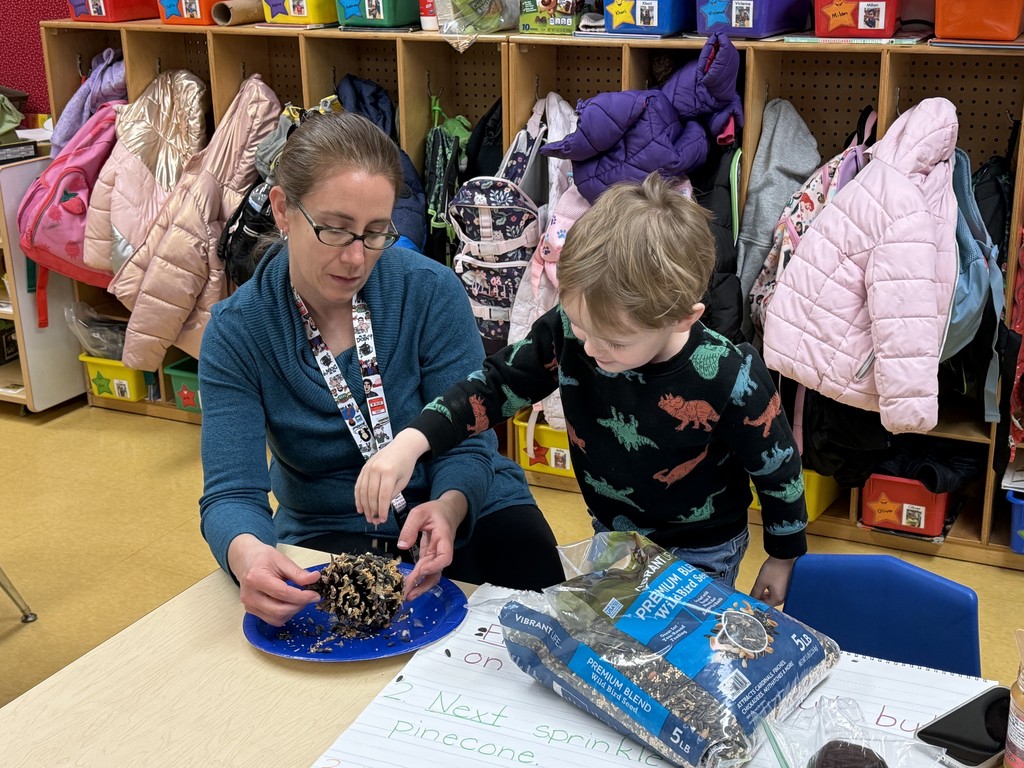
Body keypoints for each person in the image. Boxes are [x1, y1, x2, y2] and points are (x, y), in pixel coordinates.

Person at [356, 171, 809, 606]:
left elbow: (779, 471)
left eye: (614, 341)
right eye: (580, 326)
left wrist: (782, 557)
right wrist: (411, 443)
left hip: (702, 551)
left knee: (675, 660)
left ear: (682, 317)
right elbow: (494, 386)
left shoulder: (731, 374)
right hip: (611, 536)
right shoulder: (572, 332)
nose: (589, 348)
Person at [198, 111, 564, 626]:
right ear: (282, 209)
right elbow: (231, 493)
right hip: (328, 526)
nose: (355, 257)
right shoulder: (239, 330)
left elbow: (468, 440)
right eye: (335, 230)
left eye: (375, 233)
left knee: (545, 627)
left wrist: (450, 507)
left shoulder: (429, 290)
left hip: (467, 505)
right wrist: (248, 554)